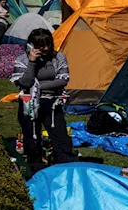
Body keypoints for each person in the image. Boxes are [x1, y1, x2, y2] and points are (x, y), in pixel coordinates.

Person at [10, 29, 78, 174]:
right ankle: (36, 168)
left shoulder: (59, 57)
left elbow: (62, 80)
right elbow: (24, 82)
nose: (45, 48)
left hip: (52, 102)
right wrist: (32, 62)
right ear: (31, 46)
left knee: (60, 137)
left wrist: (38, 87)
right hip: (29, 104)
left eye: (48, 44)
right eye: (41, 46)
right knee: (32, 138)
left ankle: (66, 166)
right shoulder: (22, 60)